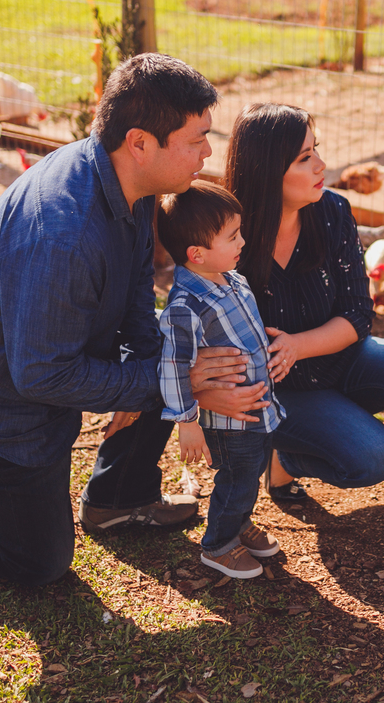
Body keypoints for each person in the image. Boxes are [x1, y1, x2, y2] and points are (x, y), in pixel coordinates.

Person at [0, 54, 262, 586]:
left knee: (172, 361)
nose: (208, 152)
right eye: (196, 139)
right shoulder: (62, 232)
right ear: (140, 142)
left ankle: (120, 497)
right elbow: (42, 375)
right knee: (36, 562)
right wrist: (169, 383)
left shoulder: (130, 183)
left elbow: (139, 295)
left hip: (43, 377)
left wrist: (155, 378)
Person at [205, 101, 384, 516]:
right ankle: (286, 457)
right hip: (279, 390)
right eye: (304, 157)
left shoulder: (332, 212)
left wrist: (298, 344)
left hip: (341, 359)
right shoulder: (226, 234)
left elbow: (357, 312)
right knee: (371, 457)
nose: (322, 165)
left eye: (317, 150)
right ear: (266, 169)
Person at [156, 181, 285, 579]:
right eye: (232, 236)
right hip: (227, 422)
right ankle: (218, 545)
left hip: (254, 411)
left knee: (249, 472)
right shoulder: (185, 307)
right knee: (238, 476)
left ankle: (238, 521)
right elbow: (174, 367)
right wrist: (188, 423)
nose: (242, 241)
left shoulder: (232, 279)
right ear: (197, 253)